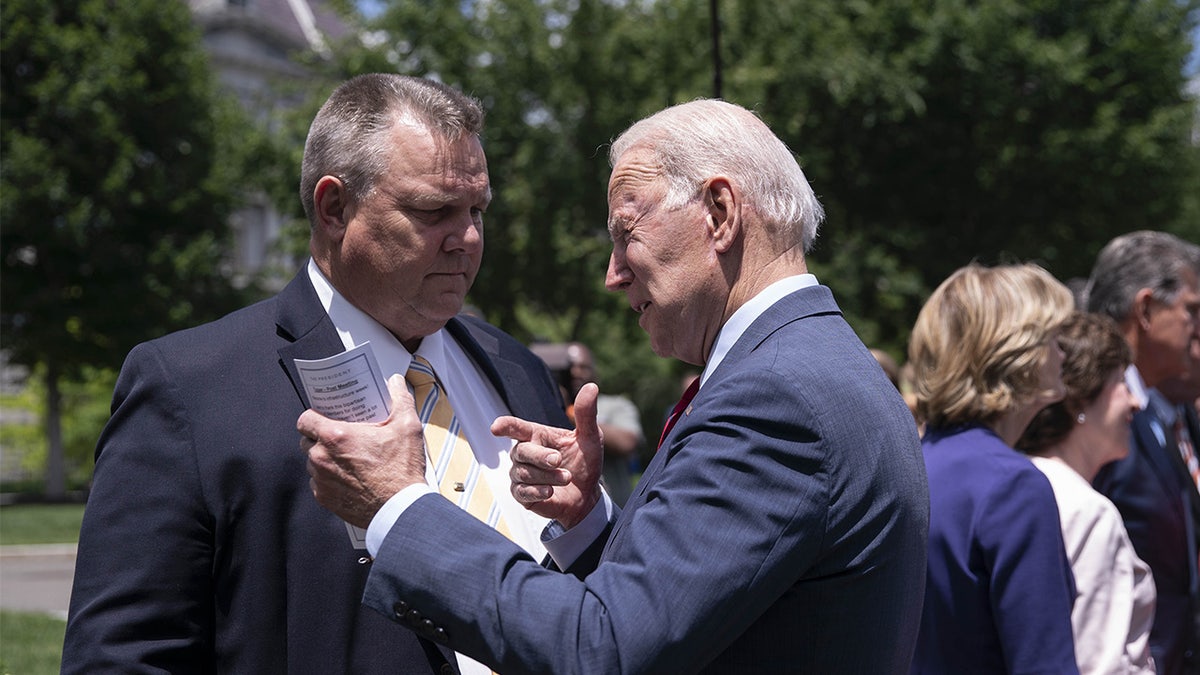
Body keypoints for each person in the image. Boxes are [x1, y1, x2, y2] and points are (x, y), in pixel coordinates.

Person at [301, 99, 929, 673]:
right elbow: (690, 610)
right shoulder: (811, 364)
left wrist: (399, 506)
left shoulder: (777, 397)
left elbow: (601, 650)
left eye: (627, 234)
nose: (614, 275)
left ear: (720, 213)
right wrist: (589, 524)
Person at [61, 74, 569, 674]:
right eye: (434, 211)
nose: (468, 239)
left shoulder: (518, 369)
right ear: (334, 208)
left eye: (478, 210)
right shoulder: (190, 388)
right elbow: (122, 658)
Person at [908, 262, 1079, 674]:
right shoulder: (1013, 486)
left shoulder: (910, 466)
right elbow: (1043, 663)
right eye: (1054, 338)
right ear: (1018, 352)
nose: (1063, 353)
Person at [1016, 311, 1156, 674]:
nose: (1135, 402)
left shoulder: (1016, 485)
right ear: (1080, 399)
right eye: (1122, 383)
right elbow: (1097, 663)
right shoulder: (1088, 512)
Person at [1086, 231, 1200, 675]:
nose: (1197, 328)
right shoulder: (1091, 413)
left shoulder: (1157, 411)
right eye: (1191, 310)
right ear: (1147, 309)